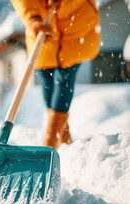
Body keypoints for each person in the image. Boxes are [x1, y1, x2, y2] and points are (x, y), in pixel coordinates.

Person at [10, 0, 101, 149]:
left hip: (75, 31)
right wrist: (34, 19)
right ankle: (63, 137)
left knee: (63, 79)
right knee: (47, 83)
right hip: (43, 31)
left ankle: (50, 143)